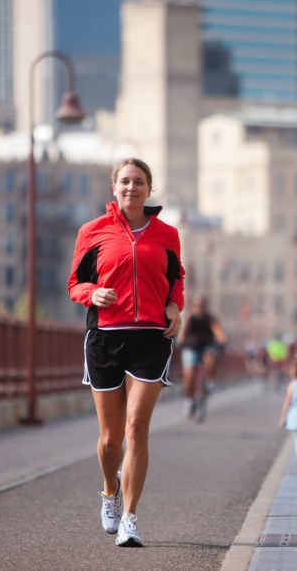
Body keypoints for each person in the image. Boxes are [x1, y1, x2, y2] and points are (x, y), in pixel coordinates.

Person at [68, 158, 184, 547]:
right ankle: (108, 490)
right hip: (105, 337)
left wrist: (174, 306)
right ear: (114, 188)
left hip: (151, 338)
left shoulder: (167, 234)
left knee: (136, 428)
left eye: (139, 182)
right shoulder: (92, 232)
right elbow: (75, 283)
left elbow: (176, 279)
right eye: (125, 182)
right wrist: (91, 293)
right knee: (110, 439)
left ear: (149, 189)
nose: (131, 188)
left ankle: (130, 519)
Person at [180, 296, 227, 418]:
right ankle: (188, 401)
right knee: (189, 374)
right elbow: (183, 333)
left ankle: (210, 382)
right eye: (197, 306)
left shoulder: (210, 319)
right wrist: (181, 341)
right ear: (194, 307)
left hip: (207, 346)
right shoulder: (190, 318)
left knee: (211, 357)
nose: (199, 309)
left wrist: (223, 340)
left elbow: (218, 332)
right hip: (191, 346)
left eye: (202, 306)